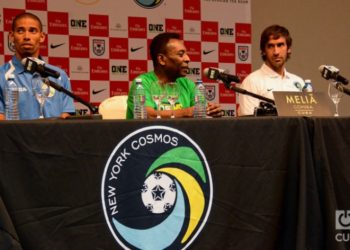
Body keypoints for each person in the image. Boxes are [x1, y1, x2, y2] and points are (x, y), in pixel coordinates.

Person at [126, 32, 222, 119]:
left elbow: (200, 115)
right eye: (181, 54)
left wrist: (211, 111)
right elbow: (147, 115)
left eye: (186, 54)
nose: (188, 59)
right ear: (162, 59)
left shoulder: (189, 85)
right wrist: (186, 112)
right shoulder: (141, 84)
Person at [0, 12, 75, 120]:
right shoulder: (1, 75)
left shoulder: (59, 75)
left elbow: (66, 116)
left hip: (54, 137)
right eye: (20, 31)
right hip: (17, 137)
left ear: (42, 37)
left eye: (32, 31)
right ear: (12, 36)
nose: (26, 36)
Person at [238, 25, 306, 116]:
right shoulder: (252, 81)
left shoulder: (298, 82)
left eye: (280, 45)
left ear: (289, 49)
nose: (276, 52)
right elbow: (248, 123)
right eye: (270, 46)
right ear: (263, 51)